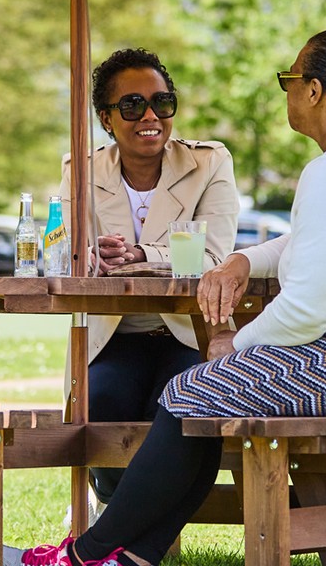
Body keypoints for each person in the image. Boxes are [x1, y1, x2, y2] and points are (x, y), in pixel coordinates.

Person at [3, 27, 326, 566]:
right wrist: (247, 258)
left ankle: (92, 557)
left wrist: (237, 347)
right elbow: (308, 243)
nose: (288, 92)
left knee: (195, 389)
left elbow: (303, 311)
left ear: (316, 92)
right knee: (198, 395)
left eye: (291, 81)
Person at [58, 47, 239, 516]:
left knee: (179, 399)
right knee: (101, 398)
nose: (150, 116)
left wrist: (139, 255)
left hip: (188, 333)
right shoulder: (81, 169)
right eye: (133, 105)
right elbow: (68, 252)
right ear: (106, 117)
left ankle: (128, 526)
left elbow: (214, 255)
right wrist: (91, 257)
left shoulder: (209, 164)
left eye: (163, 102)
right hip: (113, 335)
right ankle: (120, 510)